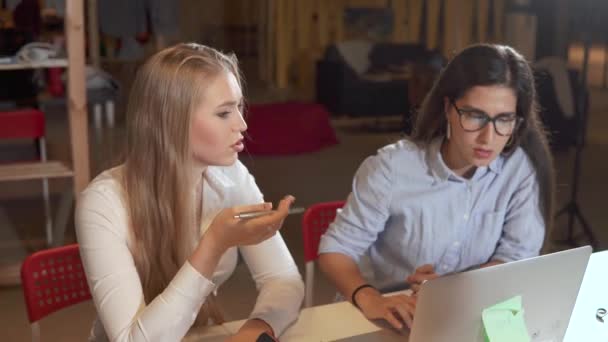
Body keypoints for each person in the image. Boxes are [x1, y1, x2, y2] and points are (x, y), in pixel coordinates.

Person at [75, 43, 304, 342]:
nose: (242, 125)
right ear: (172, 122)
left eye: (239, 107)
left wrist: (257, 329)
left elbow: (284, 280)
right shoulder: (103, 203)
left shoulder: (232, 178)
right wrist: (213, 244)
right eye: (224, 113)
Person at [318, 44, 555, 330]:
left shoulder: (519, 167)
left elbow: (517, 258)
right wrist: (368, 297)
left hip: (471, 307)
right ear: (448, 109)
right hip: (392, 310)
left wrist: (450, 288)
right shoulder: (393, 167)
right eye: (475, 116)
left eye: (504, 119)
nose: (488, 138)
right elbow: (335, 249)